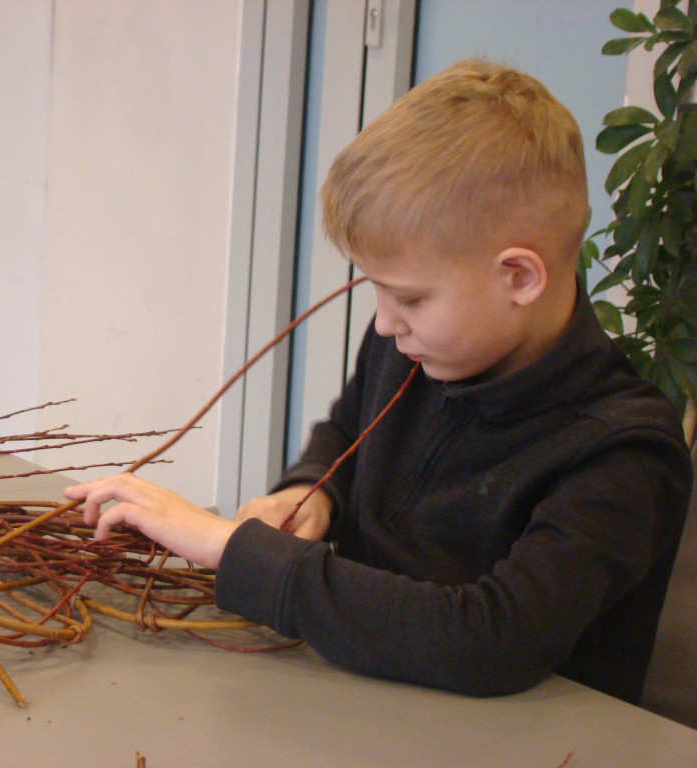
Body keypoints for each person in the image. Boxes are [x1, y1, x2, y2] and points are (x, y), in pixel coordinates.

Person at [63, 59, 692, 703]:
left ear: (520, 278)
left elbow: (490, 641)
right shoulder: (420, 347)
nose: (386, 324)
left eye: (410, 298)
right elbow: (346, 432)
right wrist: (315, 489)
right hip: (358, 692)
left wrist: (232, 547)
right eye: (378, 292)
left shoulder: (625, 454)